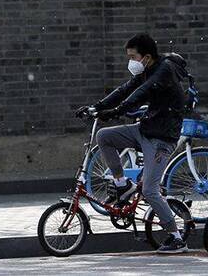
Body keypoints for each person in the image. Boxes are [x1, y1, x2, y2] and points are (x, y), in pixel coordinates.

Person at [76, 33, 189, 254]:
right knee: (105, 137)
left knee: (149, 190)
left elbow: (140, 93)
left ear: (146, 56)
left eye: (133, 57)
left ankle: (176, 237)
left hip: (161, 138)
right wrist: (96, 108)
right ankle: (121, 184)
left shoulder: (164, 70)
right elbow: (125, 89)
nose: (131, 62)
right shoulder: (147, 69)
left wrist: (116, 112)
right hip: (145, 130)